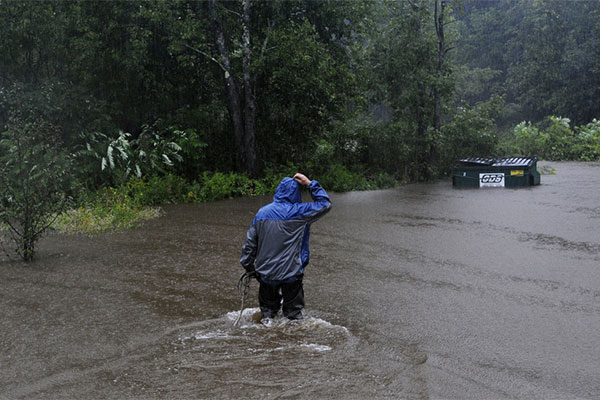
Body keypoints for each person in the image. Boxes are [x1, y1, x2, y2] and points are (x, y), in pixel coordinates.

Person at [240, 173, 331, 326]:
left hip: (266, 275)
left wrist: (250, 268)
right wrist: (309, 184)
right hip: (292, 274)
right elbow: (325, 204)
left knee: (267, 316)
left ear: (278, 191)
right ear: (296, 193)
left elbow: (249, 244)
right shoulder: (300, 212)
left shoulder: (262, 213)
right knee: (293, 318)